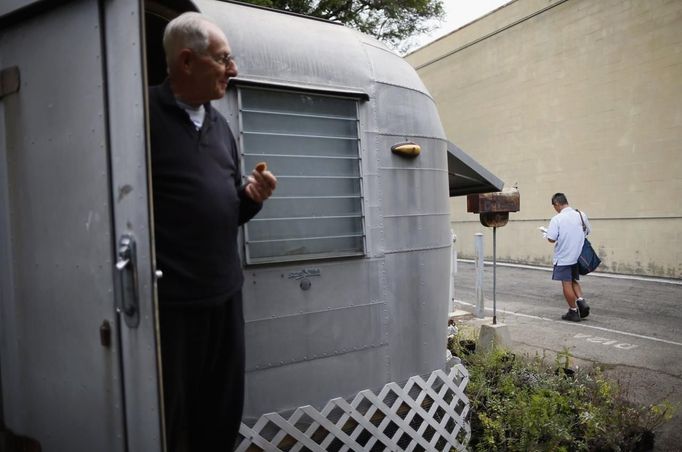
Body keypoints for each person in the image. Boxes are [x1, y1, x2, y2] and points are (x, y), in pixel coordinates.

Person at [148, 12, 277, 451]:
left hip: (224, 294)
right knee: (173, 419)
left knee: (221, 411)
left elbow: (226, 212)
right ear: (187, 61)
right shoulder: (141, 116)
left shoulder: (221, 127)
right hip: (171, 306)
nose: (233, 69)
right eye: (223, 59)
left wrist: (251, 199)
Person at [544, 193, 590, 322]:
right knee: (574, 280)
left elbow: (551, 239)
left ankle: (573, 311)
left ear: (557, 204)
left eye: (554, 206)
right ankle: (582, 302)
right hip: (577, 255)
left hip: (563, 256)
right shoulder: (581, 215)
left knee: (566, 284)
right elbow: (587, 231)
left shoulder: (557, 219)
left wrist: (546, 233)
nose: (555, 208)